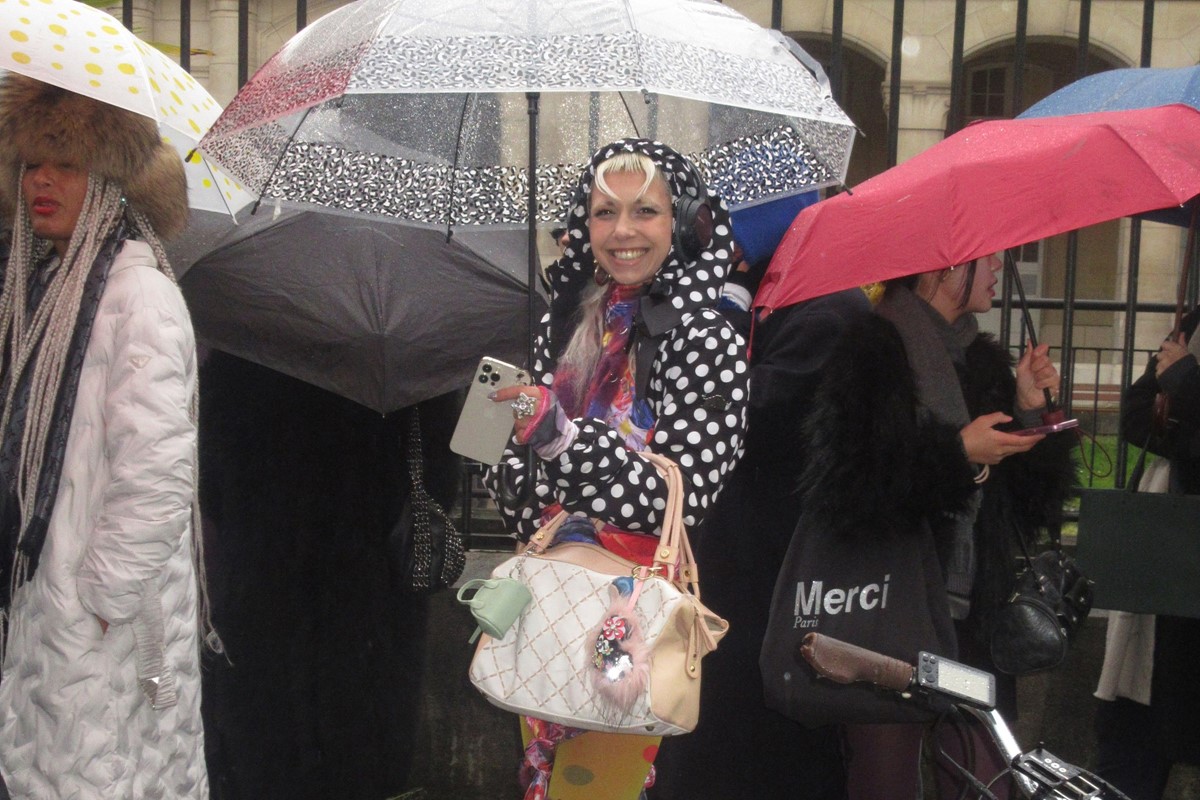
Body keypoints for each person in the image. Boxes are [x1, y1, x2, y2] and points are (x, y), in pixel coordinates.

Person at [484, 138, 749, 800]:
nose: (623, 232)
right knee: (544, 782)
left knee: (597, 790)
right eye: (605, 213)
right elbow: (516, 487)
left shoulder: (706, 337)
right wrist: (503, 442)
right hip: (544, 596)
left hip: (623, 612)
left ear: (684, 222)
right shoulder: (567, 320)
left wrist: (559, 440)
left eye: (645, 212)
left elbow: (677, 503)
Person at [794, 254, 1076, 799]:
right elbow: (845, 488)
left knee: (985, 779)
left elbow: (1029, 504)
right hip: (890, 614)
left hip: (972, 619)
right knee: (886, 781)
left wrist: (1031, 412)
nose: (998, 265)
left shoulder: (982, 361)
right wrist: (956, 454)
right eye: (986, 255)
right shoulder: (871, 351)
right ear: (945, 267)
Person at [0, 75, 212, 797]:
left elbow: (156, 474)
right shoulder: (46, 283)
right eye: (31, 164)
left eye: (65, 164)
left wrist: (98, 600)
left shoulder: (137, 293)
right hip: (50, 598)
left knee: (106, 772)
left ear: (111, 182)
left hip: (104, 619)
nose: (42, 182)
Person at [653, 229, 870, 799]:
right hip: (738, 565)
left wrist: (728, 311)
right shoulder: (775, 298)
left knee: (756, 748)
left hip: (773, 571)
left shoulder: (827, 310)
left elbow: (740, 416)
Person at [1093, 305, 1200, 800]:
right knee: (1139, 736)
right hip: (1168, 566)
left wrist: (1183, 384)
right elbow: (1138, 416)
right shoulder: (1195, 324)